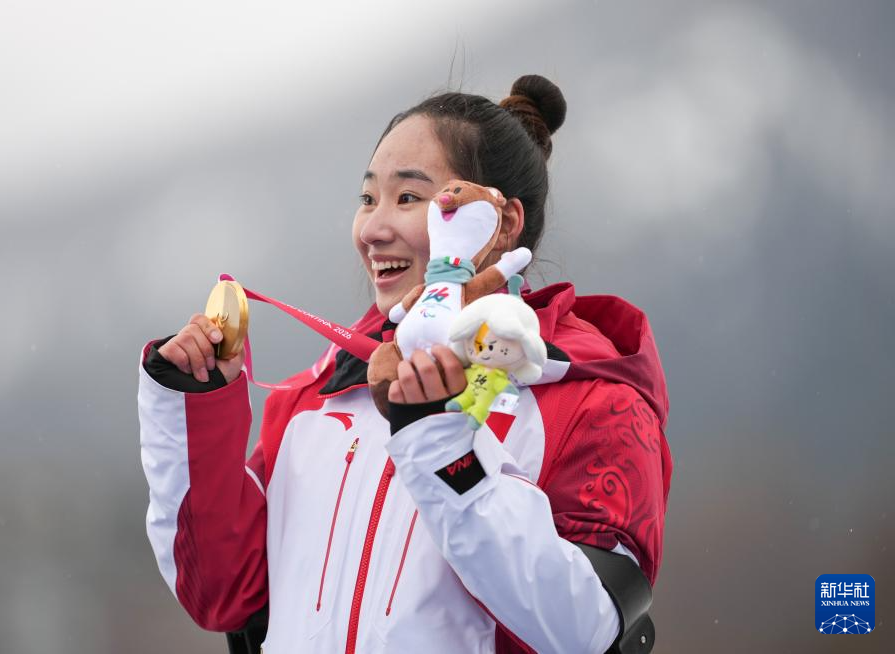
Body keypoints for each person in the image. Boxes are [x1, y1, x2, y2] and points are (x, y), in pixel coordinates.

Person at [138, 75, 673, 654]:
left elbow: (585, 630)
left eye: (410, 198)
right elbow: (221, 595)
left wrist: (446, 449)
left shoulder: (594, 403)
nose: (373, 229)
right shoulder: (318, 398)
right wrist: (196, 404)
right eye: (368, 198)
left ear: (502, 223)